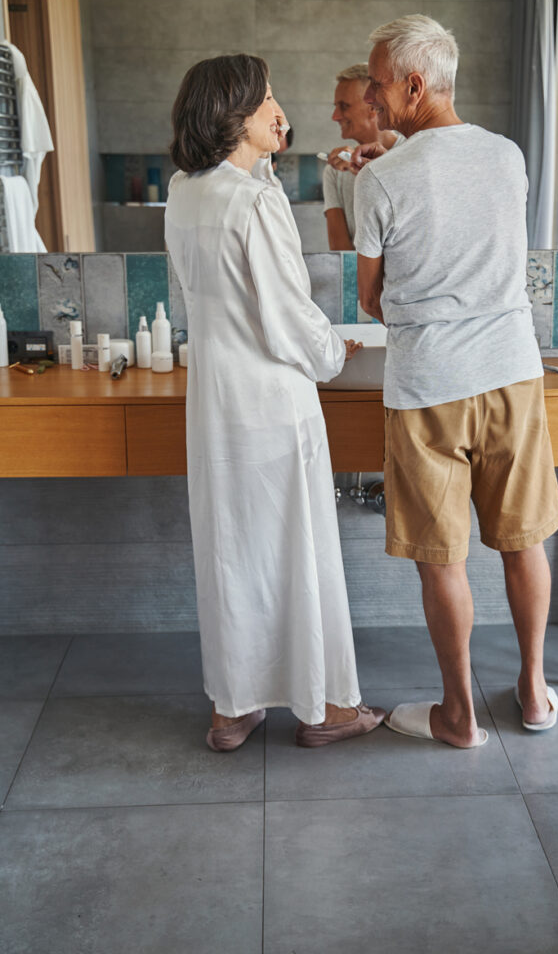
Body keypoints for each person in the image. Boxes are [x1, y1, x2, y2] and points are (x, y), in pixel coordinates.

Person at [352, 15, 558, 748]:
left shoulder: (378, 177)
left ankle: (457, 715)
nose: (372, 98)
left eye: (379, 85)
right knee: (522, 539)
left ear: (415, 84)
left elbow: (368, 301)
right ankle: (533, 693)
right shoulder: (507, 156)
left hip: (428, 387)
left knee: (441, 557)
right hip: (510, 373)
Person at [165, 54, 385, 751]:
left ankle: (233, 709)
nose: (280, 111)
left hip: (216, 402)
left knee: (233, 551)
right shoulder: (256, 202)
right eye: (267, 100)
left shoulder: (185, 190)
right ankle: (324, 711)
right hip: (272, 401)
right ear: (233, 115)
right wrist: (332, 354)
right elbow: (288, 316)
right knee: (299, 551)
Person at [323, 63, 400, 251]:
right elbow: (341, 251)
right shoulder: (335, 171)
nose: (335, 116)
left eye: (344, 106)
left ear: (373, 106)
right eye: (336, 107)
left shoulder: (412, 154)